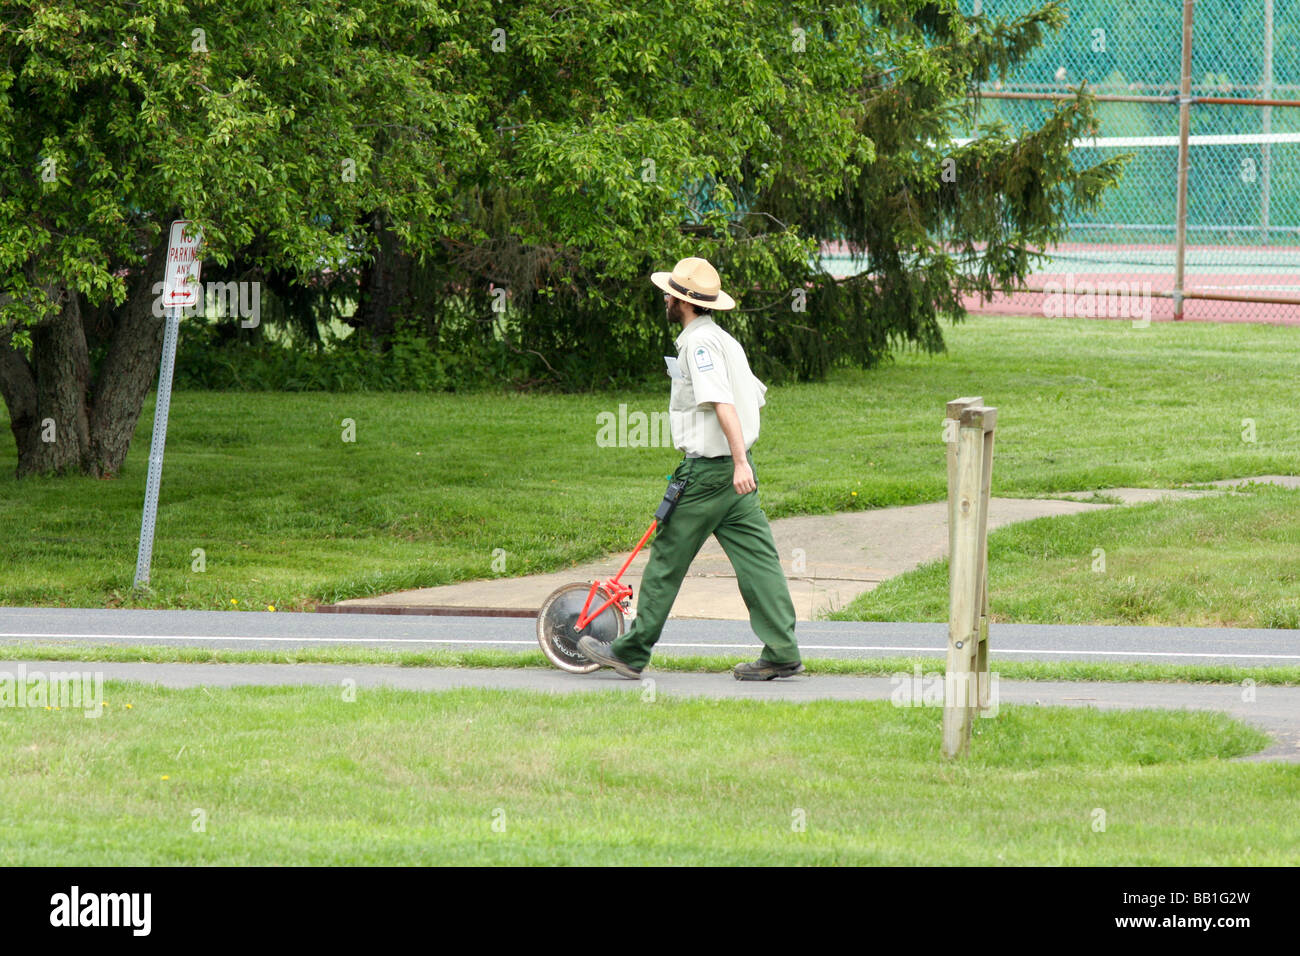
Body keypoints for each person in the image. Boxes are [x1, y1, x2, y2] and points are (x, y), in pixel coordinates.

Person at [578, 256, 803, 681]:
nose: (665, 297)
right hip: (738, 476)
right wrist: (743, 462)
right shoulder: (724, 341)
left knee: (666, 559)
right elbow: (754, 397)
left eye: (670, 293)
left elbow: (724, 403)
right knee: (759, 561)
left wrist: (735, 461)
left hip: (709, 475)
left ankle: (631, 651)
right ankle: (782, 651)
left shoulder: (698, 345)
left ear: (682, 302)